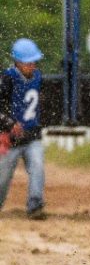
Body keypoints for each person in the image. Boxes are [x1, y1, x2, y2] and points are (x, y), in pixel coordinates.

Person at [0, 38, 47, 219]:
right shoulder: (7, 79)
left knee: (38, 166)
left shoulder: (38, 77)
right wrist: (9, 124)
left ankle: (35, 205)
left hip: (32, 136)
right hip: (10, 139)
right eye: (29, 62)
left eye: (34, 61)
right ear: (18, 62)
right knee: (3, 178)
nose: (32, 65)